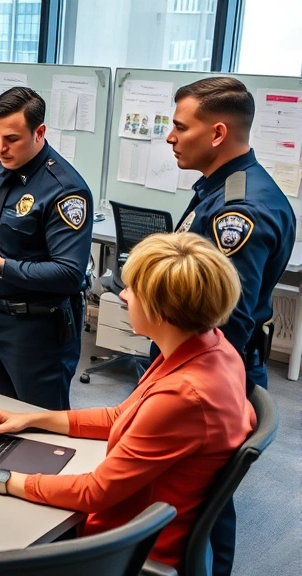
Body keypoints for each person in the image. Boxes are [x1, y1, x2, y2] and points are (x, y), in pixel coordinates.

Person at [0, 233, 256, 574]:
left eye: (132, 290)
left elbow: (95, 492)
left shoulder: (184, 396)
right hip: (137, 521)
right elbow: (123, 415)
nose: (123, 295)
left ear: (162, 311)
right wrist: (33, 419)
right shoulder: (210, 348)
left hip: (119, 550)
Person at [165, 76, 296, 576]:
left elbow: (224, 320)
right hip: (202, 371)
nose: (171, 137)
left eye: (180, 127)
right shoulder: (221, 188)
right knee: (194, 497)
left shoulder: (239, 208)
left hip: (210, 378)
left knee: (205, 505)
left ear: (217, 133)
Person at [0, 86, 93, 411]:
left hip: (37, 329)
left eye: (11, 139)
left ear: (39, 132)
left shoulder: (64, 190)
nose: (1, 147)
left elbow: (70, 273)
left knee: (41, 427)